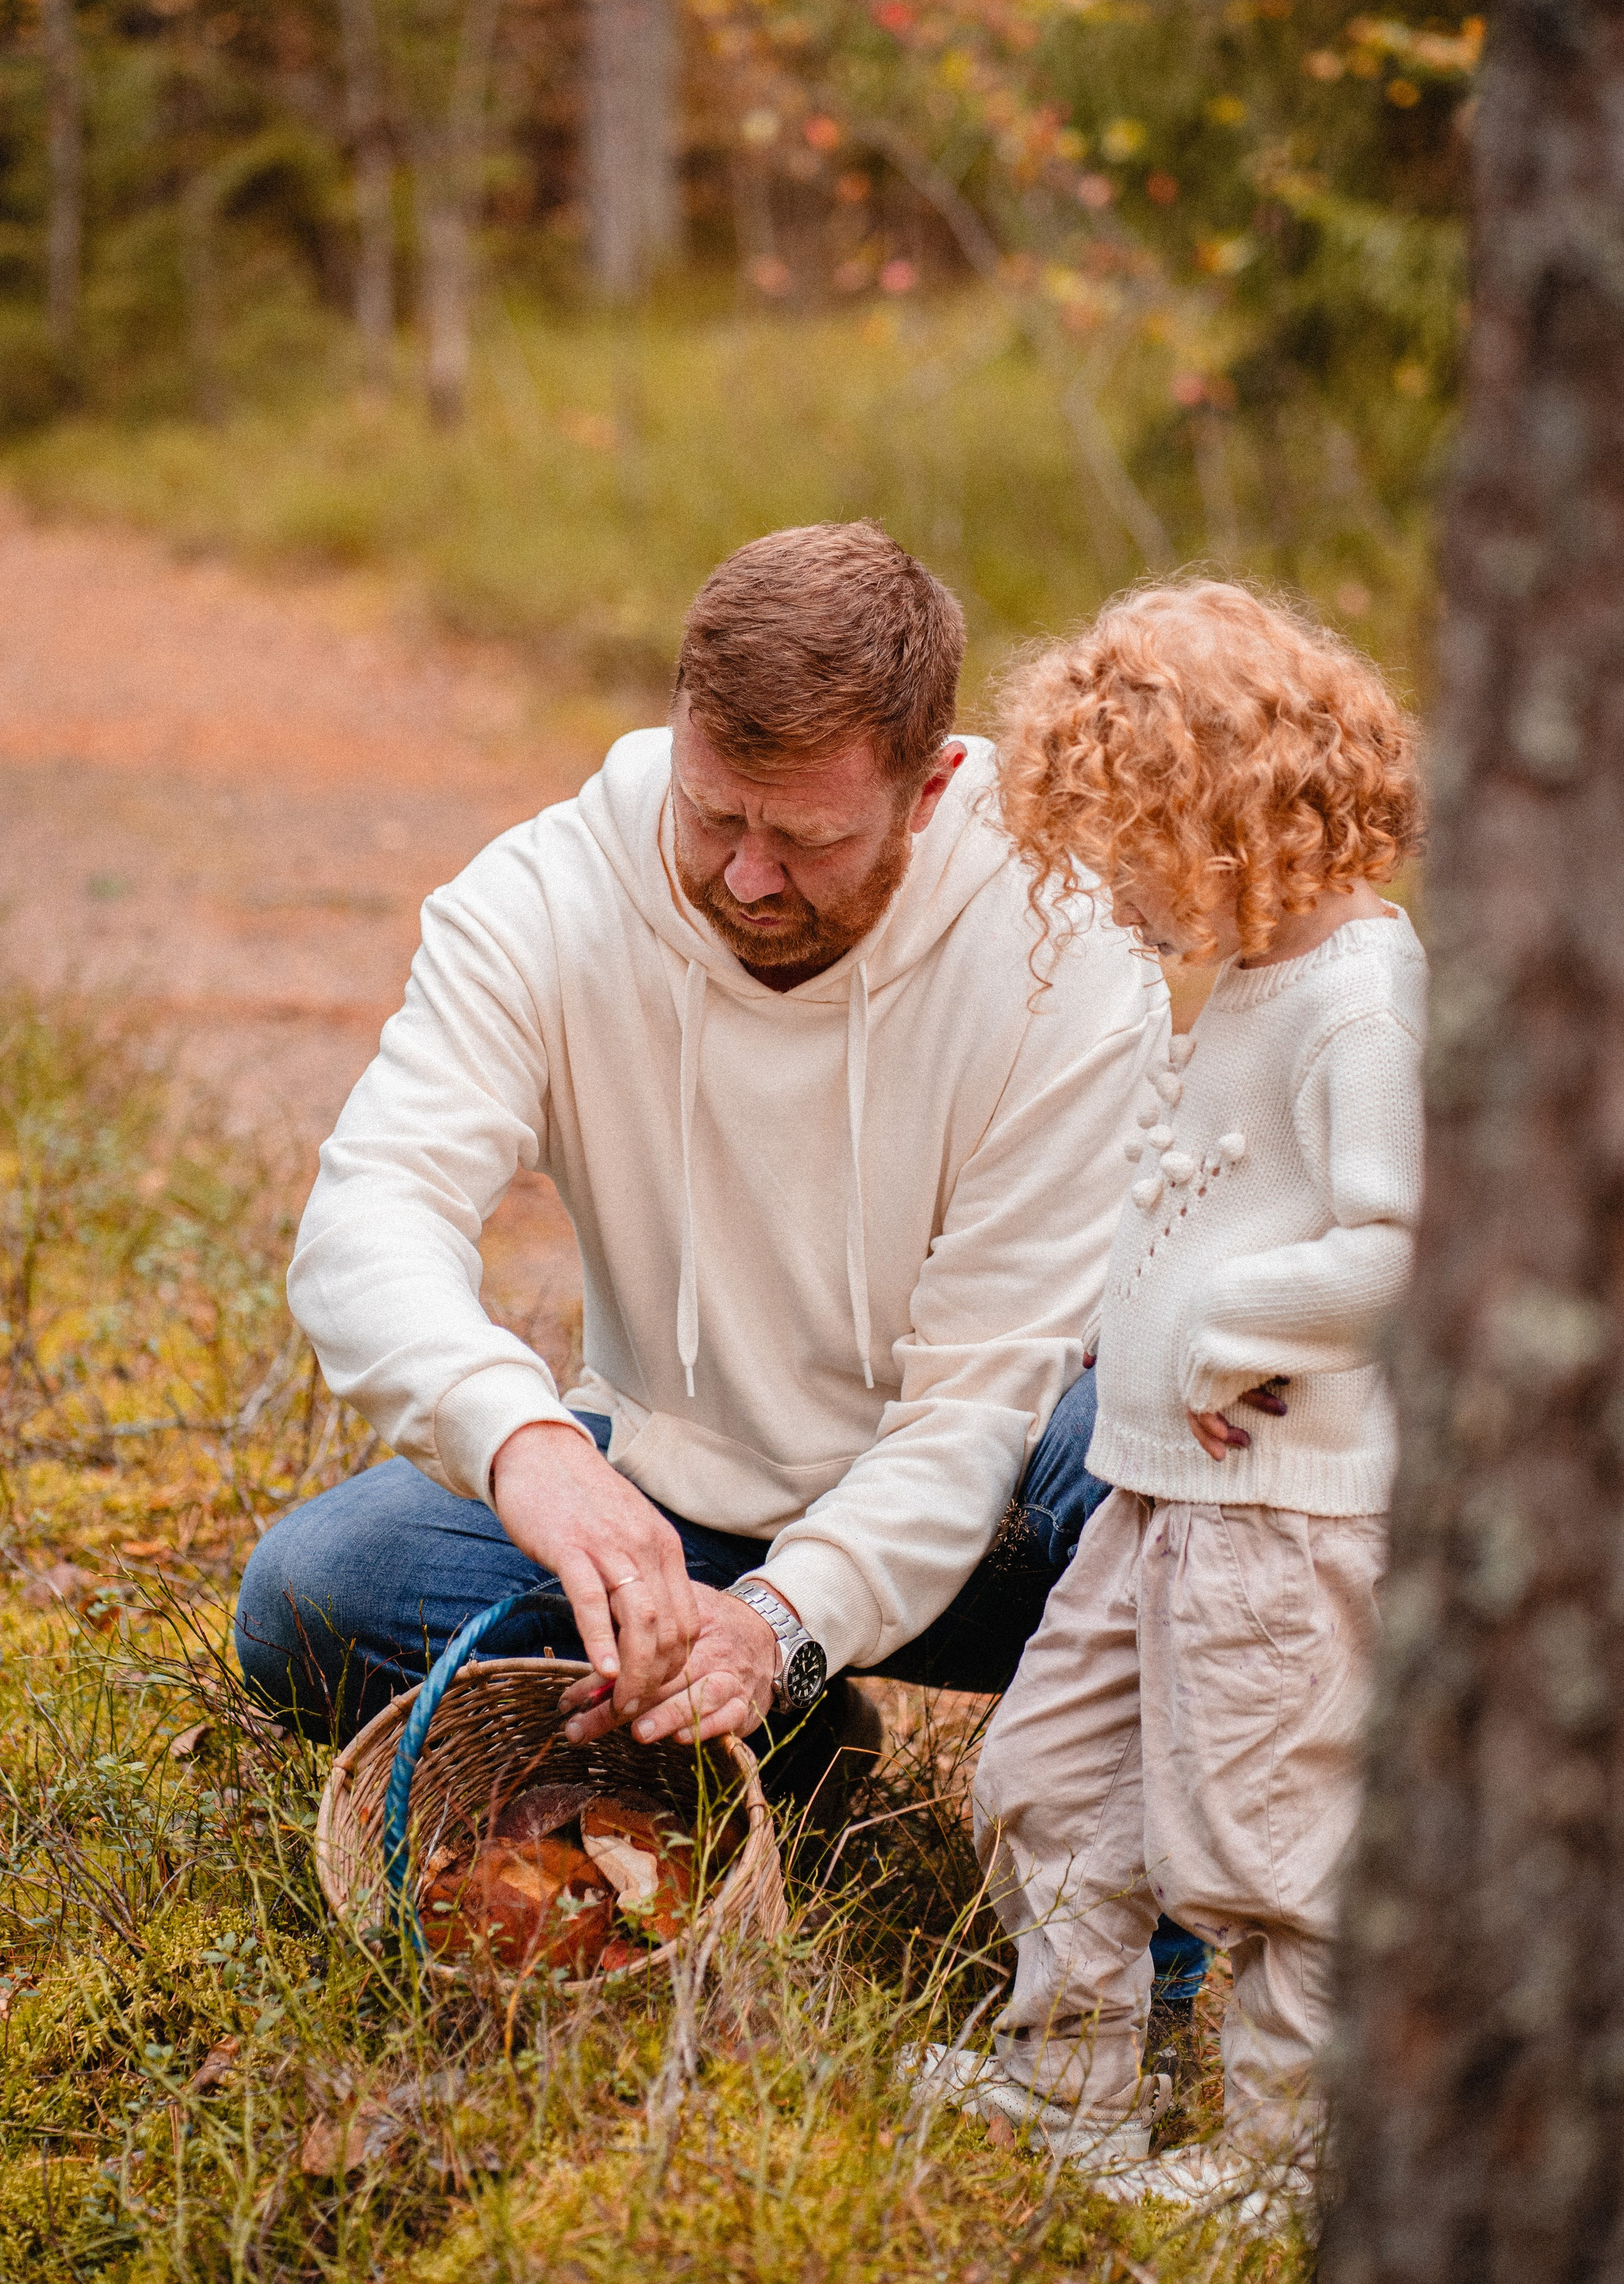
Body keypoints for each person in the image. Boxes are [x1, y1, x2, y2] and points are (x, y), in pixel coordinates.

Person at [234, 520, 1194, 2029]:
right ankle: (784, 1752)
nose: (745, 876)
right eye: (711, 815)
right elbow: (371, 1214)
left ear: (929, 785)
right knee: (317, 1597)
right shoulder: (541, 899)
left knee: (1162, 1479)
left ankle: (1143, 1961)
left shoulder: (1057, 950)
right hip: (676, 1504)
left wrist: (786, 1621)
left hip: (992, 1501)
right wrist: (528, 1444)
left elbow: (975, 1398)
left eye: (805, 840)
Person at [914, 579, 1425, 2205]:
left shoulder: (1357, 998)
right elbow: (1192, 1192)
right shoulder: (1254, 979)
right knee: (1047, 1779)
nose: (1110, 892)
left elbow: (1398, 1241)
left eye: (1126, 848)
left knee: (1270, 1845)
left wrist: (1217, 1333)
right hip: (1155, 1494)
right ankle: (1062, 2080)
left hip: (1276, 1519)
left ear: (1215, 812)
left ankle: (1287, 2164)